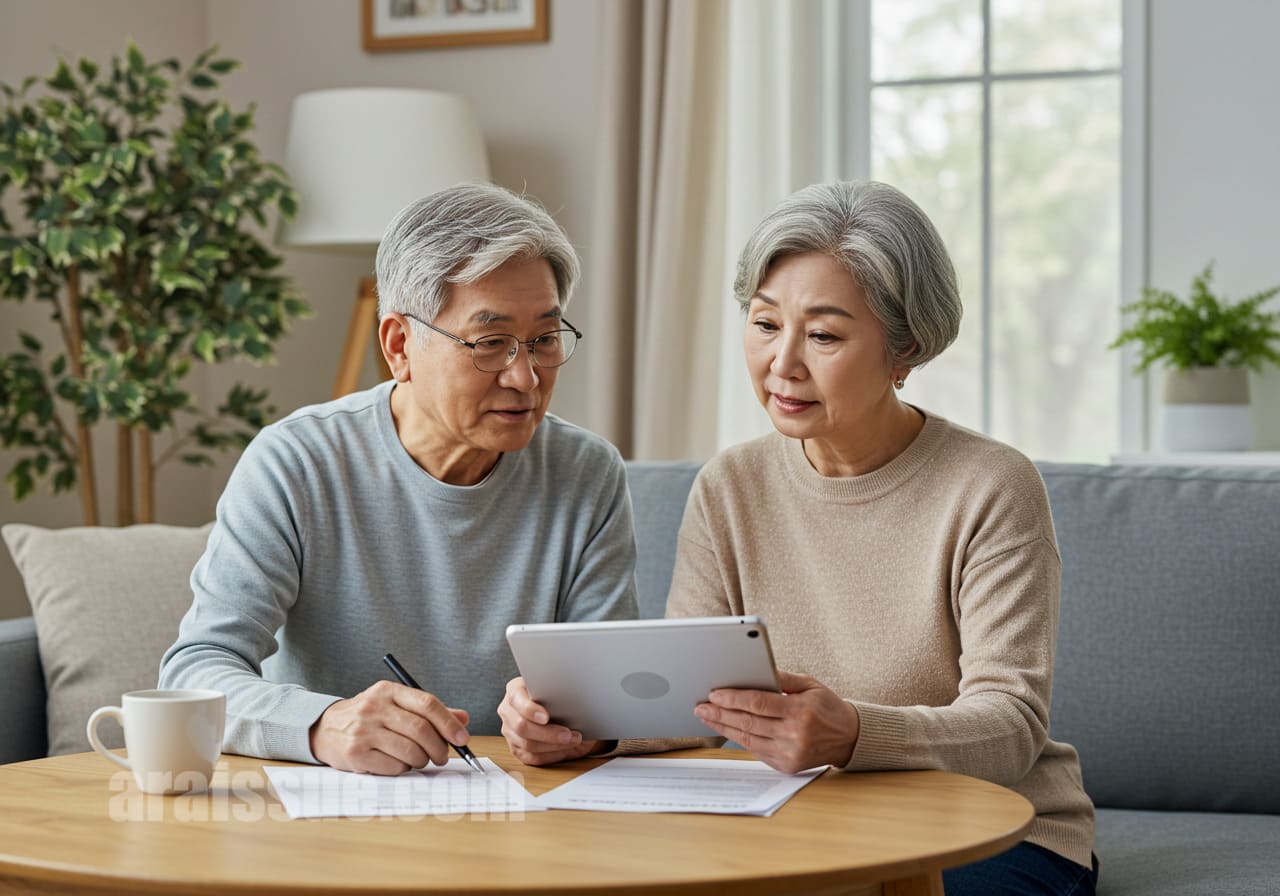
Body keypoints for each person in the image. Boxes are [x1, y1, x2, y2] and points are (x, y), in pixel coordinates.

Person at [499, 180, 1097, 895]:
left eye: (823, 335)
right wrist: (583, 728)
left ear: (904, 349)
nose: (782, 363)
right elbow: (691, 698)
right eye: (763, 324)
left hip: (994, 831)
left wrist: (852, 734)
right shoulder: (731, 485)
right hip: (809, 824)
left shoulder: (991, 486)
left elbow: (1010, 727)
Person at [160, 183, 637, 775]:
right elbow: (196, 670)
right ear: (398, 345)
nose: (525, 376)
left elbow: (612, 695)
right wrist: (321, 725)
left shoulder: (587, 473)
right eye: (490, 343)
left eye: (543, 339)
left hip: (522, 813)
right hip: (333, 821)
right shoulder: (296, 462)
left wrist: (579, 732)